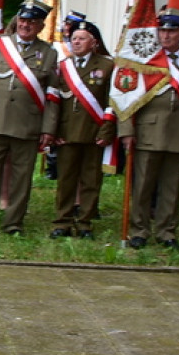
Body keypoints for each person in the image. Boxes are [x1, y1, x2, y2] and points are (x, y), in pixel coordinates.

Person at [0, 0, 59, 237]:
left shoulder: (49, 53)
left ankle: (13, 223)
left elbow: (53, 95)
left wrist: (48, 129)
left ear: (41, 26)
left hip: (28, 124)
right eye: (22, 19)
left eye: (32, 21)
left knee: (21, 177)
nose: (25, 24)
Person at [119, 7, 179, 249]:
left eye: (172, 31)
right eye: (162, 30)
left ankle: (167, 231)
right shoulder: (146, 61)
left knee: (171, 186)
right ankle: (139, 229)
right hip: (148, 131)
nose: (166, 36)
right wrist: (126, 131)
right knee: (143, 184)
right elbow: (126, 96)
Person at [43, 21, 115, 239]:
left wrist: (107, 130)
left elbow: (113, 101)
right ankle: (62, 222)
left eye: (82, 38)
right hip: (67, 133)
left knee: (91, 180)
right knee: (66, 179)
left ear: (93, 43)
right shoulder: (63, 66)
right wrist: (53, 132)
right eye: (74, 38)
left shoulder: (107, 66)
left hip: (94, 132)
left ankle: (85, 222)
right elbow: (54, 101)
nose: (76, 42)